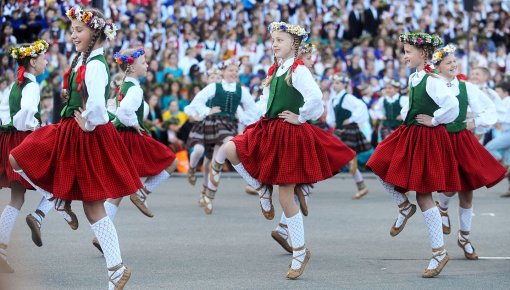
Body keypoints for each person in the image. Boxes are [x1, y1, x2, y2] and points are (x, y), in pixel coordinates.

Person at [9, 7, 140, 289]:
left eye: (78, 30)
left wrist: (89, 124)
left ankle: (116, 270)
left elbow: (96, 106)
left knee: (94, 206)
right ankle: (58, 198)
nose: (73, 35)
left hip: (84, 132)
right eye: (72, 30)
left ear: (94, 32)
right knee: (19, 158)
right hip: (72, 130)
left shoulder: (95, 64)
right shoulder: (84, 59)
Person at [224, 21, 355, 279]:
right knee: (231, 149)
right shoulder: (275, 69)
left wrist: (300, 116)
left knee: (285, 197)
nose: (274, 44)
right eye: (273, 40)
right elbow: (265, 103)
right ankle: (262, 187)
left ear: (294, 44)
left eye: (280, 40)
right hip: (269, 127)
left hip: (288, 133)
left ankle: (299, 252)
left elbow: (316, 100)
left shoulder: (298, 70)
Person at [366, 32, 459, 278]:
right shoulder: (416, 77)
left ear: (424, 53)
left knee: (424, 194)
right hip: (410, 133)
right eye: (405, 51)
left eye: (408, 51)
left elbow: (453, 106)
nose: (405, 56)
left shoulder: (432, 79)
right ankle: (404, 206)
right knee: (378, 163)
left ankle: (439, 252)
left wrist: (435, 120)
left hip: (425, 137)